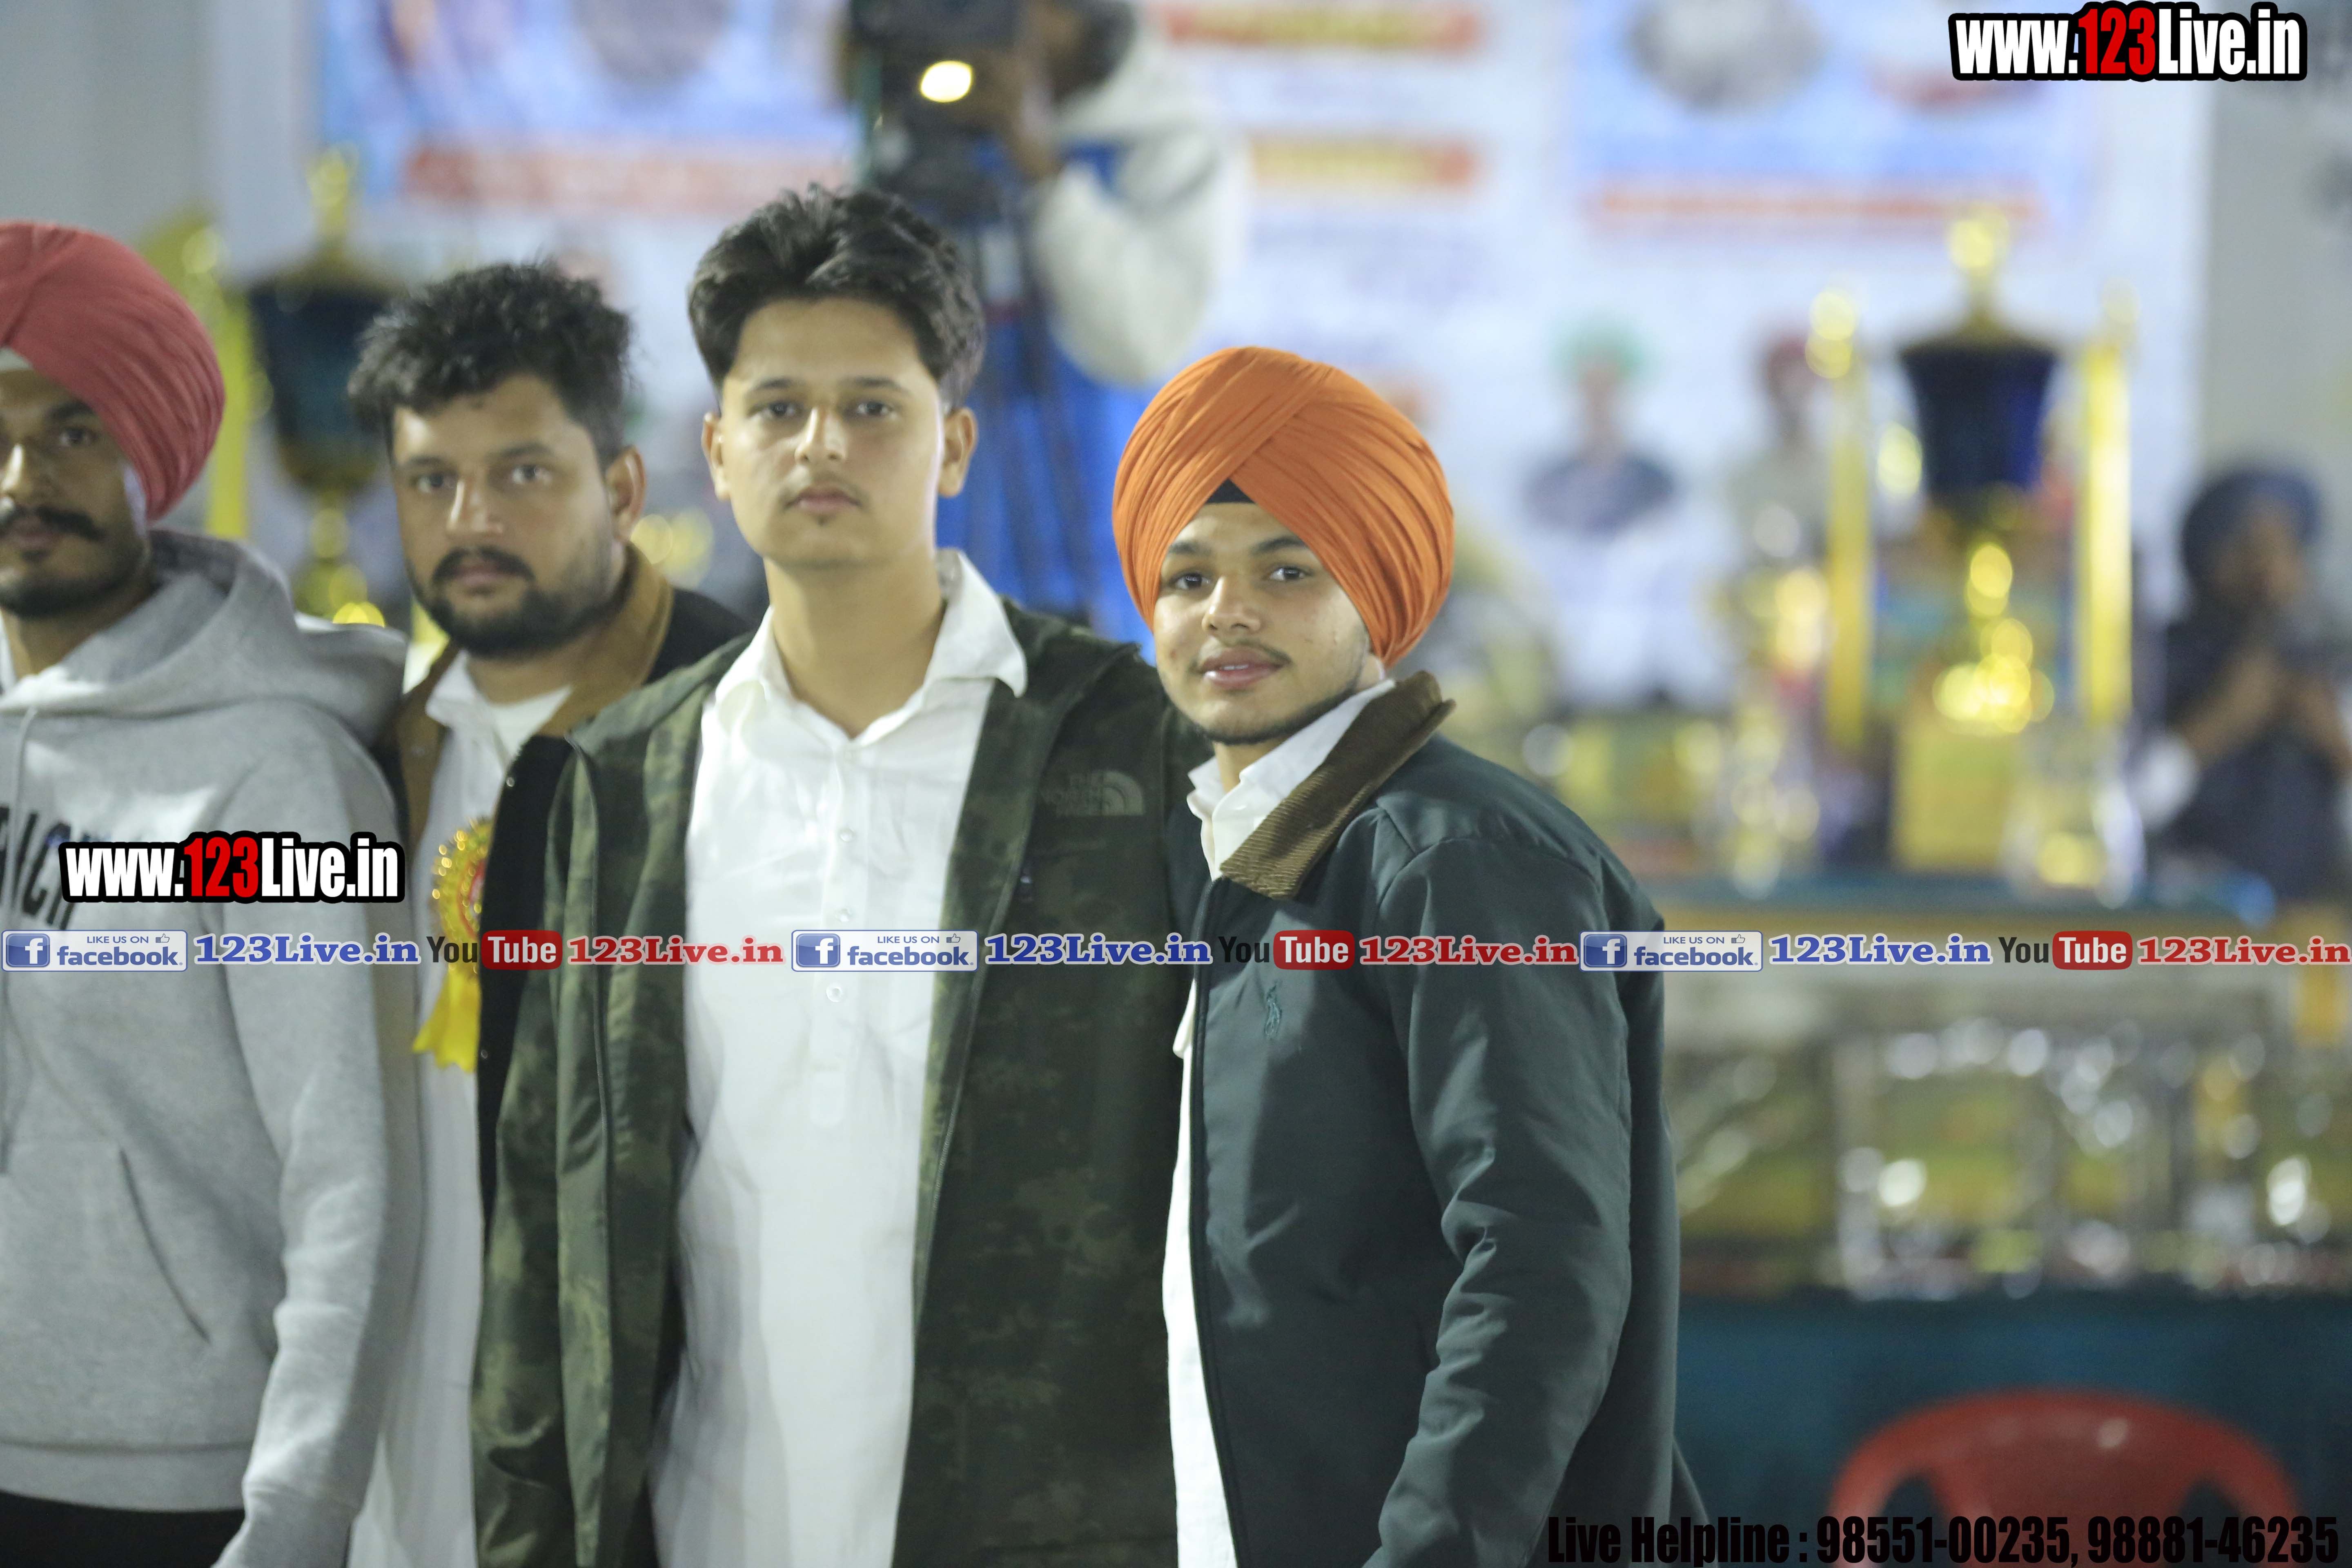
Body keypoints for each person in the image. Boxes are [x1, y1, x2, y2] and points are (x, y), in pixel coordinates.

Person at [472, 185, 1205, 1568]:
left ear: (953, 445)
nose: (821, 445)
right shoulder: (624, 785)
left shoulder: (1124, 747)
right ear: (717, 450)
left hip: (1053, 1526)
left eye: (873, 407)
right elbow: (544, 1223)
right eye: (778, 409)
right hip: (708, 1524)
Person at [1113, 345, 1705, 1566]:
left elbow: (1540, 1265)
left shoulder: (1452, 856)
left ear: (1376, 589)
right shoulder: (1226, 852)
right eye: (1188, 576)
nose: (1227, 610)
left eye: (1287, 568)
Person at [0, 223, 416, 1567]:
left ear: (155, 451)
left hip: (172, 1495)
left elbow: (349, 1172)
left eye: (73, 431)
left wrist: (298, 1513)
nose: (22, 479)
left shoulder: (275, 776)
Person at [344, 261, 745, 1568]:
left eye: (522, 473)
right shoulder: (379, 745)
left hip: (648, 1442)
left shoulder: (729, 722)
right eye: (431, 481)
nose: (470, 519)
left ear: (621, 488)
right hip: (395, 1433)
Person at [860, 0, 1247, 637]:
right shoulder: (918, 135)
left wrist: (1041, 168)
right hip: (936, 567)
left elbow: (1142, 342)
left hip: (1104, 561)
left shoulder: (1164, 137)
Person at [2135, 466, 2348, 901]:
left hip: (2313, 920)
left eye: (2285, 547)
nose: (2268, 571)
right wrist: (2217, 724)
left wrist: (2334, 739)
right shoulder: (2159, 660)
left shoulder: (2329, 663)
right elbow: (2123, 811)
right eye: (2247, 547)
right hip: (2189, 917)